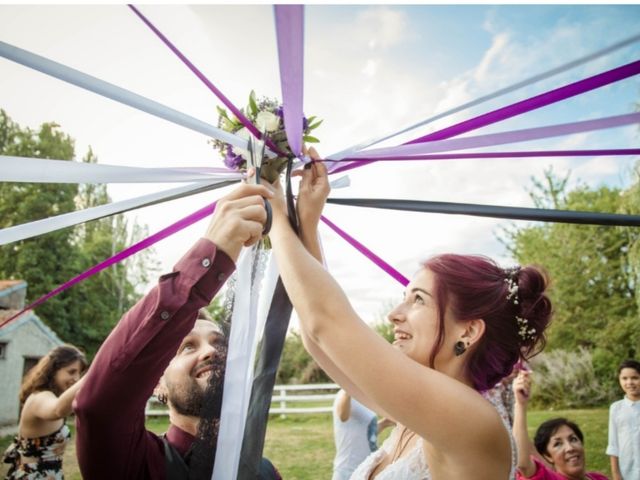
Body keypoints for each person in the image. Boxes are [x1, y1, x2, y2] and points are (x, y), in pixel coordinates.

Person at [265, 153, 553, 479]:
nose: (393, 315)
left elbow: (326, 323)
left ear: (469, 331)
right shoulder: (414, 414)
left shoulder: (471, 421)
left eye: (418, 300)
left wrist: (275, 212)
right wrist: (307, 224)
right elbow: (317, 339)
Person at [72, 183, 280, 480]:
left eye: (218, 343)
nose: (210, 351)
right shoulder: (136, 464)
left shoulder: (265, 471)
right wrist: (214, 254)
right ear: (157, 385)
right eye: (188, 347)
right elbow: (99, 409)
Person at [3, 345, 88, 479]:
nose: (76, 379)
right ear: (53, 371)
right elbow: (58, 410)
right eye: (71, 372)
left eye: (79, 374)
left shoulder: (50, 396)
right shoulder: (40, 397)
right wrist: (92, 375)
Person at [512, 370, 609, 480]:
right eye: (558, 444)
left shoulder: (599, 478)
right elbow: (523, 464)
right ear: (548, 456)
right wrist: (520, 404)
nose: (570, 448)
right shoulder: (549, 478)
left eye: (573, 439)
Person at [332, 388, 394, 480]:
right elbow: (342, 416)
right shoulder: (344, 395)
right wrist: (348, 388)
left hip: (365, 469)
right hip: (348, 471)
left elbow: (366, 432)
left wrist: (384, 423)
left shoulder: (362, 398)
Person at [607, 359, 640, 480]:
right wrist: (616, 475)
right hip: (627, 471)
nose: (629, 382)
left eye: (635, 378)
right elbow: (613, 444)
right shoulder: (616, 408)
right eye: (624, 378)